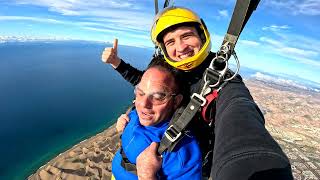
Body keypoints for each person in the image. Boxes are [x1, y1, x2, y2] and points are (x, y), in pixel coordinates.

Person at [102, 6, 293, 180]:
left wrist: (251, 160)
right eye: (170, 41)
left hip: (186, 167)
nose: (180, 47)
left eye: (186, 36)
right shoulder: (169, 68)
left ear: (202, 36)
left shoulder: (223, 80)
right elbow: (147, 85)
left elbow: (239, 111)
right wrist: (116, 63)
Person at [111, 61, 202, 179]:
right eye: (140, 93)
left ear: (176, 101)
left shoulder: (182, 154)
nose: (144, 104)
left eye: (158, 97)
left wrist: (147, 176)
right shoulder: (137, 115)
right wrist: (124, 125)